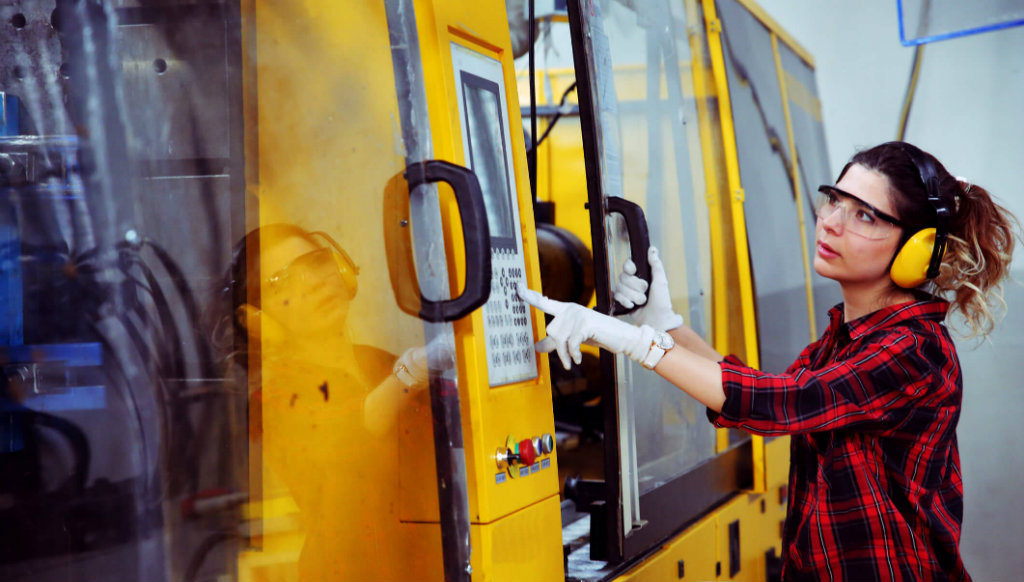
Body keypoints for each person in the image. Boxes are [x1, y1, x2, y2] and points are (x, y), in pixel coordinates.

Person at [520, 141, 1019, 581]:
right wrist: (666, 324)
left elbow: (777, 404)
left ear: (918, 249)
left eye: (864, 215)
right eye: (835, 200)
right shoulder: (843, 339)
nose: (831, 222)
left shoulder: (914, 349)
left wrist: (637, 345)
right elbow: (764, 393)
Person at [220, 223, 450, 581]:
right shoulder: (273, 401)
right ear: (258, 320)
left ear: (340, 268)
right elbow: (350, 429)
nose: (313, 283)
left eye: (315, 263)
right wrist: (411, 374)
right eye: (282, 282)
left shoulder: (380, 363)